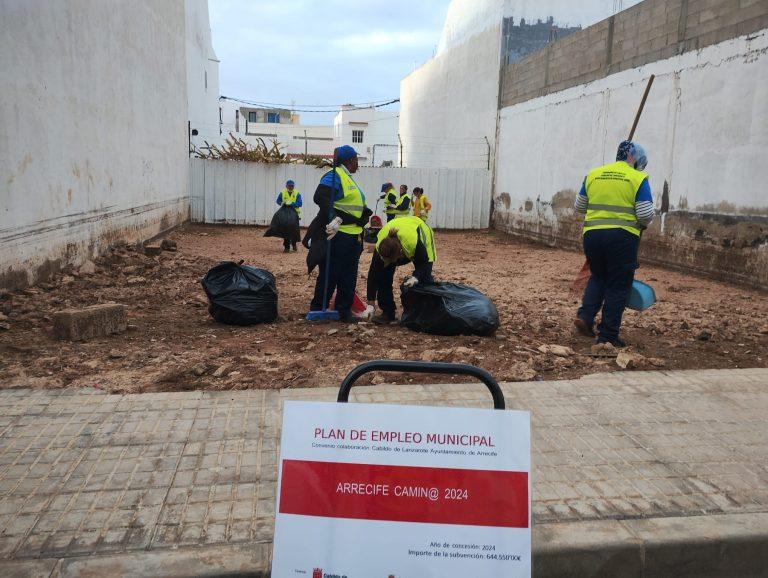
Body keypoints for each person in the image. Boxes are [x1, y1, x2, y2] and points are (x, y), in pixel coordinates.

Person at [573, 140, 654, 347]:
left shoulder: (594, 174)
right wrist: (639, 223)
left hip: (592, 236)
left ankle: (585, 316)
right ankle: (608, 336)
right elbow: (645, 213)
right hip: (622, 238)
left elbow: (579, 206)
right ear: (635, 159)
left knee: (598, 276)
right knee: (618, 285)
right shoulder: (637, 178)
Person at [308, 145, 372, 322]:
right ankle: (318, 307)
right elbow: (320, 197)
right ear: (350, 160)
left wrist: (363, 214)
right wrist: (334, 217)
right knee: (331, 272)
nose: (358, 163)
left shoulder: (348, 177)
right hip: (340, 235)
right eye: (356, 160)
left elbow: (351, 205)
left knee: (348, 275)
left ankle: (343, 310)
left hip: (354, 235)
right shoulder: (335, 175)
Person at [366, 215, 436, 324]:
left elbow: (424, 263)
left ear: (400, 254)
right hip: (399, 229)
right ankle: (387, 313)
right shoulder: (381, 246)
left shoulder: (412, 243)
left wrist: (416, 277)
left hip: (419, 228)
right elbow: (373, 275)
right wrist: (370, 304)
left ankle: (427, 314)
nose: (389, 263)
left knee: (424, 277)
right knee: (383, 277)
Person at [276, 179, 302, 252]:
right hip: (285, 214)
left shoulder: (297, 193)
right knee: (286, 229)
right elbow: (278, 201)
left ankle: (294, 243)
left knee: (294, 230)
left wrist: (291, 204)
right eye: (289, 186)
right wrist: (282, 203)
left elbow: (300, 203)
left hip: (294, 214)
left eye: (292, 186)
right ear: (286, 186)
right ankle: (287, 246)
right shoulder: (282, 192)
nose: (291, 187)